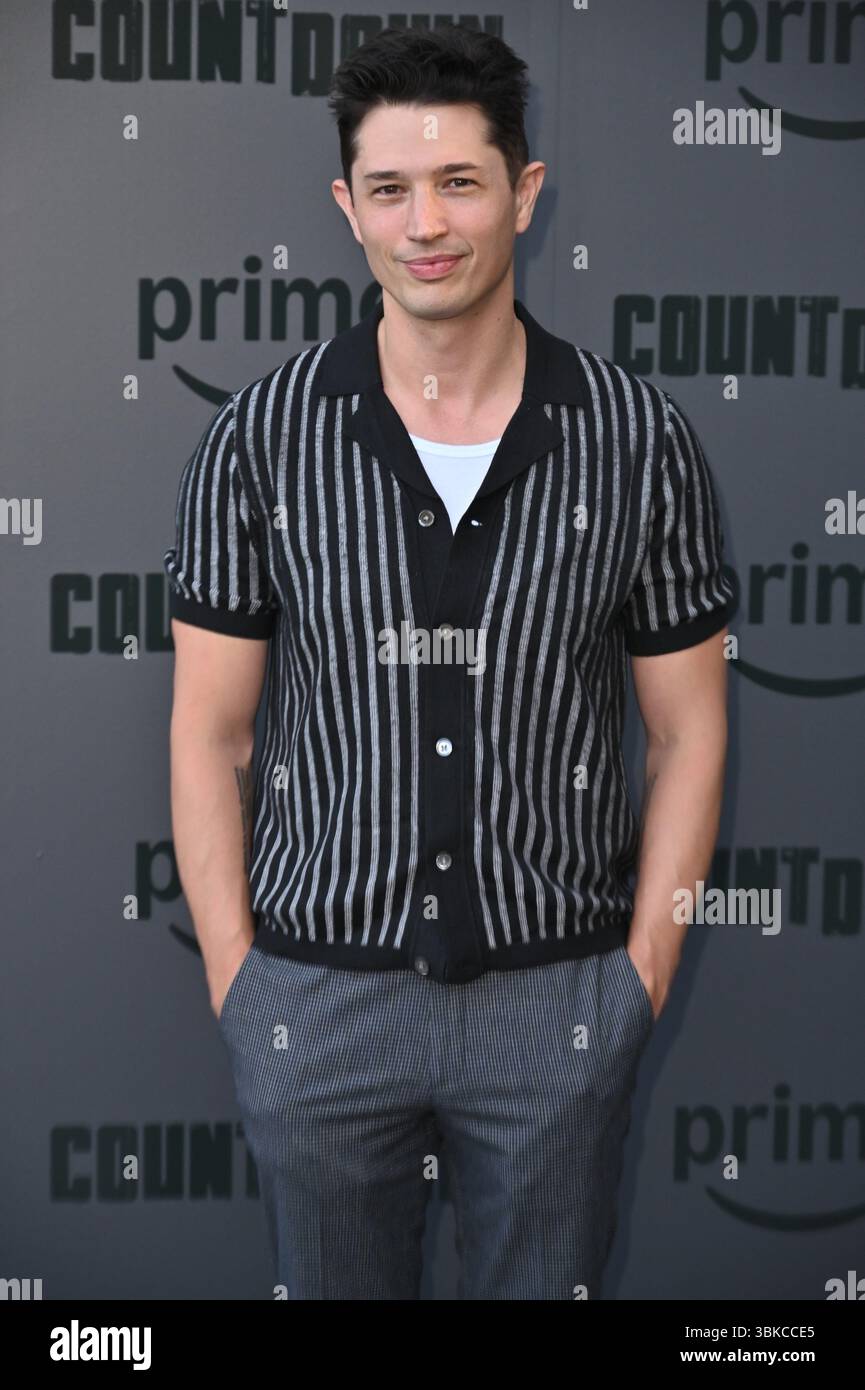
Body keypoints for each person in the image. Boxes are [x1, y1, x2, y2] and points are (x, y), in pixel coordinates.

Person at [163, 23, 731, 1300]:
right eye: (391, 189)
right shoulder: (260, 441)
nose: (426, 222)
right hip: (317, 1007)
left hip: (559, 1010)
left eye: (460, 183)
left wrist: (636, 983)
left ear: (524, 195)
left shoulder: (638, 440)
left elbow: (687, 732)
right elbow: (213, 733)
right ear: (346, 208)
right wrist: (243, 993)